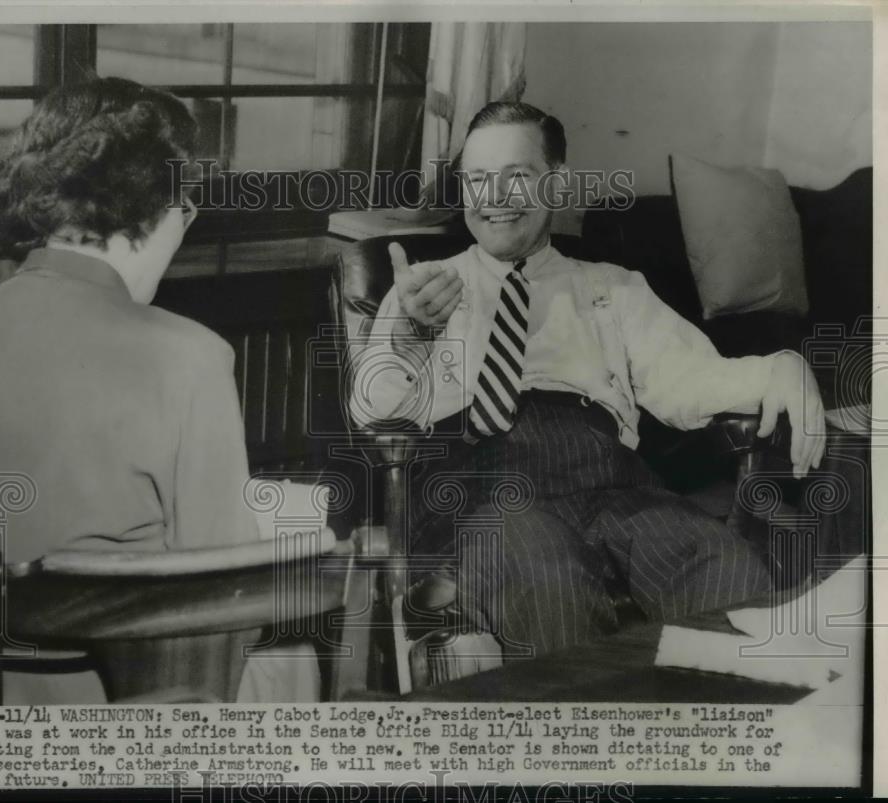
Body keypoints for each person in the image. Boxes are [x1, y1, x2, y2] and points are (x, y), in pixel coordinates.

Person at [349, 101, 826, 656]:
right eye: (476, 180)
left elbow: (692, 378)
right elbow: (374, 410)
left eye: (517, 178)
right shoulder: (424, 291)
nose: (493, 199)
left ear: (557, 184)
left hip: (614, 484)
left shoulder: (612, 289)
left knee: (724, 566)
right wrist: (412, 337)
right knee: (546, 576)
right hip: (482, 494)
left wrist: (781, 367)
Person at [0, 77, 313, 702]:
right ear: (160, 209)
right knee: (294, 640)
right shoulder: (192, 356)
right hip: (131, 724)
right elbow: (223, 611)